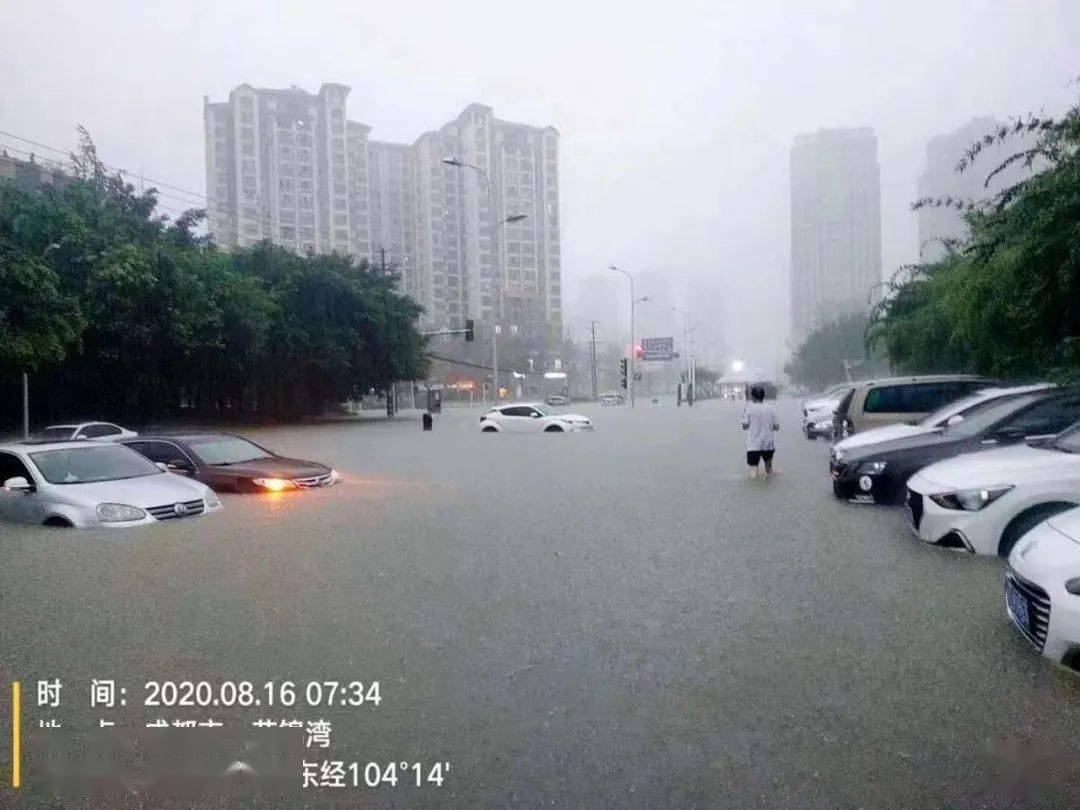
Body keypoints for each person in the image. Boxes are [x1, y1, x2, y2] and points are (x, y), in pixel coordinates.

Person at [741, 385, 779, 478]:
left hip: (753, 445)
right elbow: (776, 427)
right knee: (769, 471)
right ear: (763, 396)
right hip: (768, 444)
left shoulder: (748, 409)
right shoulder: (771, 408)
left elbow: (744, 426)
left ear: (752, 397)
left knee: (753, 473)